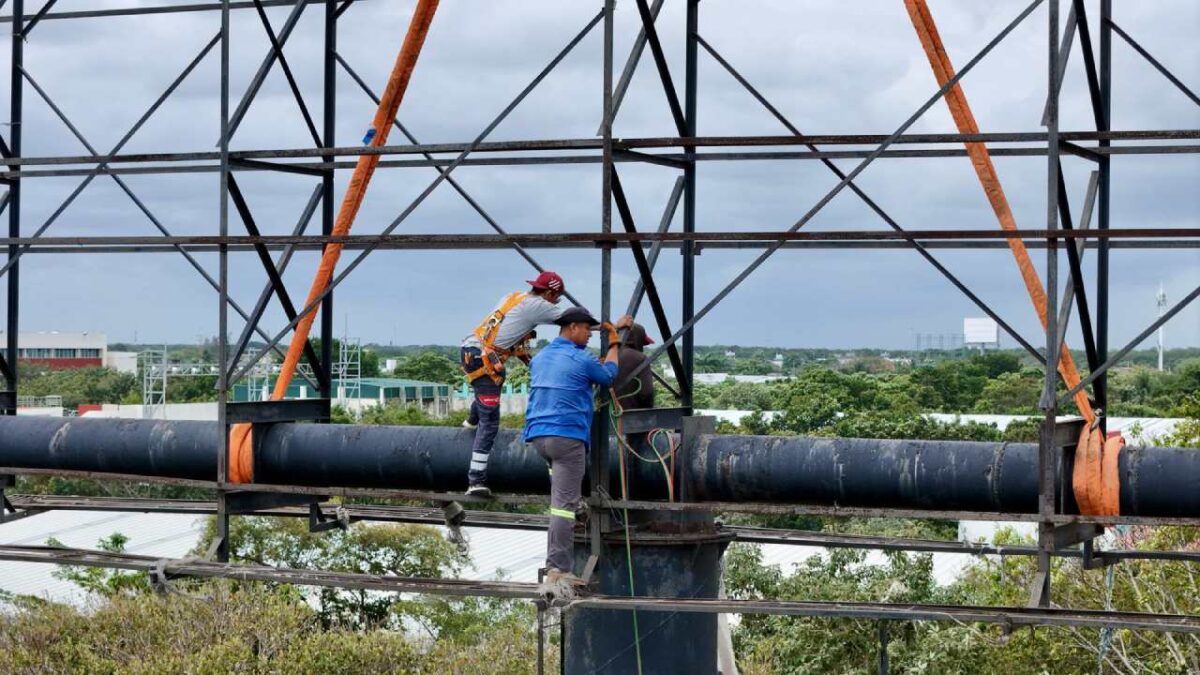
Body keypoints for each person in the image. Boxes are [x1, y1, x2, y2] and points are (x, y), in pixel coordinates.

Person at [525, 306, 620, 586]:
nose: (590, 335)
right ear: (573, 328)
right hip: (566, 439)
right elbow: (609, 375)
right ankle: (558, 569)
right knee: (562, 507)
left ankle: (577, 506)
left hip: (538, 437)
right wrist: (614, 342)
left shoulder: (540, 357)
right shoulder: (581, 359)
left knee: (563, 492)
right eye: (587, 330)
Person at [460, 271, 567, 498]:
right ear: (549, 292)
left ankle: (471, 421)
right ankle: (475, 479)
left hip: (473, 351)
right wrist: (608, 326)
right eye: (556, 298)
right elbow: (575, 319)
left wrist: (534, 364)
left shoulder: (514, 297)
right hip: (484, 358)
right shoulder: (538, 306)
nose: (555, 303)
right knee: (490, 423)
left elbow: (514, 343)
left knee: (488, 388)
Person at [613, 316, 655, 410]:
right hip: (633, 417)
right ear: (637, 339)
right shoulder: (640, 358)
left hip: (607, 417)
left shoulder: (607, 356)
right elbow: (647, 393)